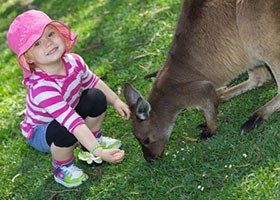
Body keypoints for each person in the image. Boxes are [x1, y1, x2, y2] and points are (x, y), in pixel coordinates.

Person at [6, 10, 131, 188]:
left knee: (96, 97)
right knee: (65, 130)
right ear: (28, 57)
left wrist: (116, 101)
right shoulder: (42, 87)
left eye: (50, 34)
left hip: (68, 115)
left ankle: (90, 146)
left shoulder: (74, 61)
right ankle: (62, 167)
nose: (48, 43)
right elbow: (71, 122)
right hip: (43, 131)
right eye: (37, 43)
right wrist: (101, 152)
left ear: (59, 33)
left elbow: (93, 82)